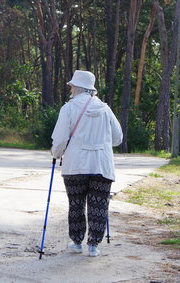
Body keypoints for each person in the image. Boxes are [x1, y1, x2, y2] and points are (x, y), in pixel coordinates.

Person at [51, 70, 123, 257]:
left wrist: (56, 153)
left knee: (76, 204)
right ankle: (93, 246)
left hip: (75, 164)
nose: (71, 89)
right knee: (98, 204)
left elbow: (59, 139)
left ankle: (77, 242)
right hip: (102, 165)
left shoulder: (68, 108)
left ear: (76, 87)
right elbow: (118, 138)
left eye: (72, 86)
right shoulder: (105, 109)